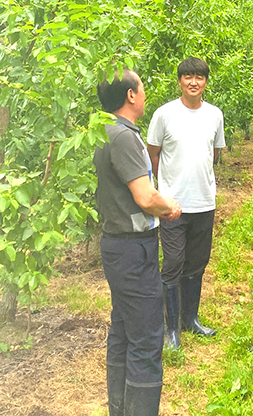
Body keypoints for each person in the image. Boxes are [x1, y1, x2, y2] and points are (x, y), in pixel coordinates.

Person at [95, 68, 182, 415]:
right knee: (146, 337)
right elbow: (145, 197)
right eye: (142, 88)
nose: (145, 94)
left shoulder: (102, 131)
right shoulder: (125, 137)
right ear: (131, 95)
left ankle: (120, 408)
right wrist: (169, 207)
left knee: (123, 330)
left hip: (118, 246)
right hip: (133, 249)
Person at [147, 57, 225, 349]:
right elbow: (153, 153)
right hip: (173, 205)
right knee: (174, 263)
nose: (194, 82)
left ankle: (190, 320)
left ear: (206, 81)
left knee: (197, 263)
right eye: (188, 77)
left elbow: (215, 153)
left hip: (204, 202)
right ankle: (171, 329)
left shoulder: (215, 115)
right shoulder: (165, 114)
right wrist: (160, 191)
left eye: (199, 77)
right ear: (179, 80)